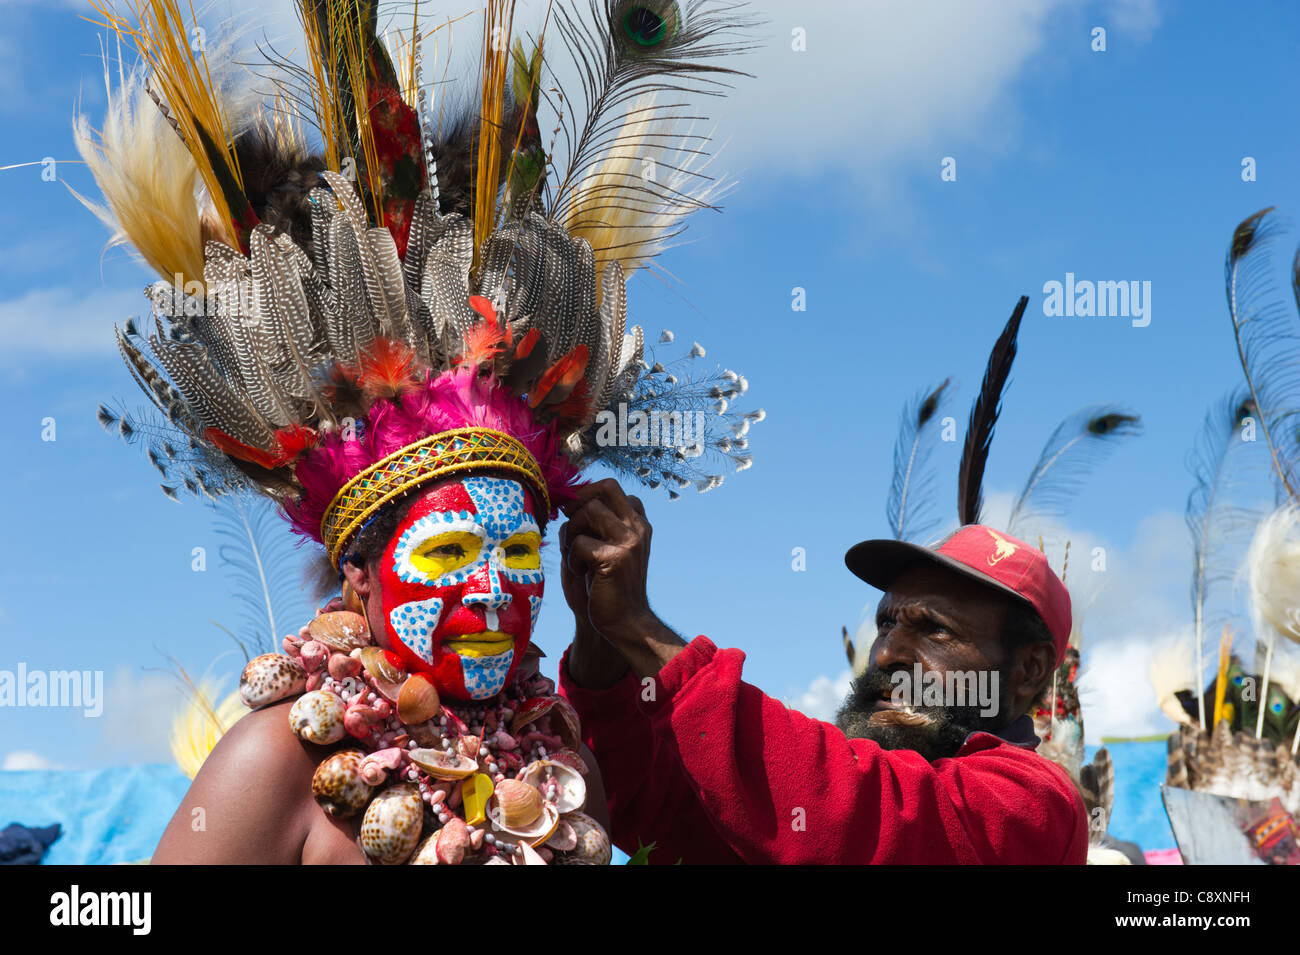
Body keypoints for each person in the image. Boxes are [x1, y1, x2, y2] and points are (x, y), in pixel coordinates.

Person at [76, 0, 761, 864]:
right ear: (356, 576)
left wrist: (618, 641)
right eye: (445, 555)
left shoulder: (562, 762)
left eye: (516, 556)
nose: (489, 590)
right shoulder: (282, 757)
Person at [559, 480, 1089, 864]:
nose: (885, 655)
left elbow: (851, 815)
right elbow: (654, 805)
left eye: (935, 630)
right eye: (886, 624)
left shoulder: (1034, 803)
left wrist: (637, 625)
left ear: (1028, 669)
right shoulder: (816, 803)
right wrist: (599, 630)